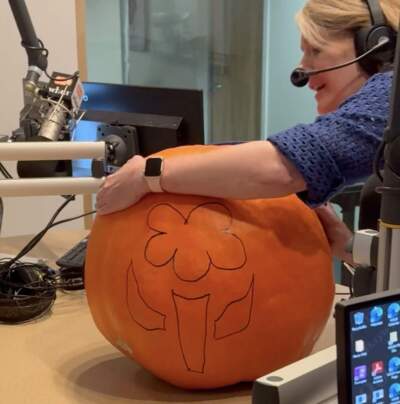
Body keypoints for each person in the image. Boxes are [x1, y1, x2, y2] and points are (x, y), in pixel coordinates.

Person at [96, 0, 400, 267]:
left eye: (315, 50)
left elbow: (290, 165)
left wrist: (147, 176)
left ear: (377, 44)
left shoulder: (393, 93)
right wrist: (345, 245)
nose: (301, 70)